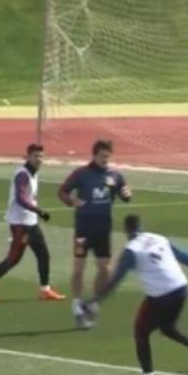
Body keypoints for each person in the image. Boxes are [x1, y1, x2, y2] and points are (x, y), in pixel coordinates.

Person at [81, 215, 188, 375]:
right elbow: (186, 257)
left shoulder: (131, 250)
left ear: (126, 230)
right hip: (181, 288)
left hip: (161, 295)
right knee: (167, 327)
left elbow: (115, 281)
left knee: (141, 331)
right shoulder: (159, 238)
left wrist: (95, 300)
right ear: (141, 226)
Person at [0, 143, 65, 304]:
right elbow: (20, 198)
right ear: (28, 156)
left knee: (43, 255)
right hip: (20, 225)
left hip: (30, 223)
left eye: (41, 156)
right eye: (36, 156)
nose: (39, 159)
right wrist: (38, 210)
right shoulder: (23, 175)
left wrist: (35, 213)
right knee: (14, 258)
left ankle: (45, 290)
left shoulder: (33, 173)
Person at [58, 139, 132, 324]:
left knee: (105, 269)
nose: (105, 159)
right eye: (102, 156)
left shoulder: (115, 176)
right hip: (84, 228)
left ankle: (92, 302)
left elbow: (124, 195)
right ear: (94, 155)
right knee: (79, 268)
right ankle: (76, 303)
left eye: (108, 156)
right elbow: (62, 191)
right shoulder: (82, 174)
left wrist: (127, 195)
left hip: (103, 229)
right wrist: (71, 202)